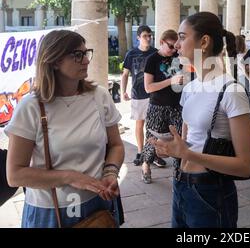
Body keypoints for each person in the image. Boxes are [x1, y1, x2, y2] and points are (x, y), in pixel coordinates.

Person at [5, 30, 124, 228]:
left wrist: (111, 172)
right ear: (54, 61)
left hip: (97, 202)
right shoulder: (31, 106)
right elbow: (15, 175)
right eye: (78, 55)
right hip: (50, 210)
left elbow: (116, 145)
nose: (86, 60)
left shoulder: (99, 96)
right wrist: (70, 177)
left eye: (87, 53)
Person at [152, 12, 250, 228]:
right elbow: (189, 142)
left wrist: (188, 154)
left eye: (182, 37)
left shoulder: (231, 91)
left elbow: (246, 165)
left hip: (211, 192)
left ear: (204, 42)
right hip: (181, 184)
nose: (176, 45)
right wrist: (172, 148)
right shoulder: (190, 88)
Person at [141, 29, 184, 184]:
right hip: (157, 105)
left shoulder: (179, 58)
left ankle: (179, 172)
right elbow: (148, 87)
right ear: (161, 42)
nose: (174, 50)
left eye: (176, 47)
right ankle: (146, 165)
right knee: (152, 139)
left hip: (176, 106)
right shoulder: (152, 59)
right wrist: (170, 81)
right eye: (170, 46)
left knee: (179, 138)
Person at [121, 25, 157, 167]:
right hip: (138, 93)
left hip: (154, 94)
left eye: (150, 35)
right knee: (139, 123)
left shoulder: (155, 53)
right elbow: (125, 74)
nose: (148, 38)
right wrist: (123, 91)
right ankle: (141, 152)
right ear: (138, 38)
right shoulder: (131, 54)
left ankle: (152, 153)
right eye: (145, 36)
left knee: (153, 125)